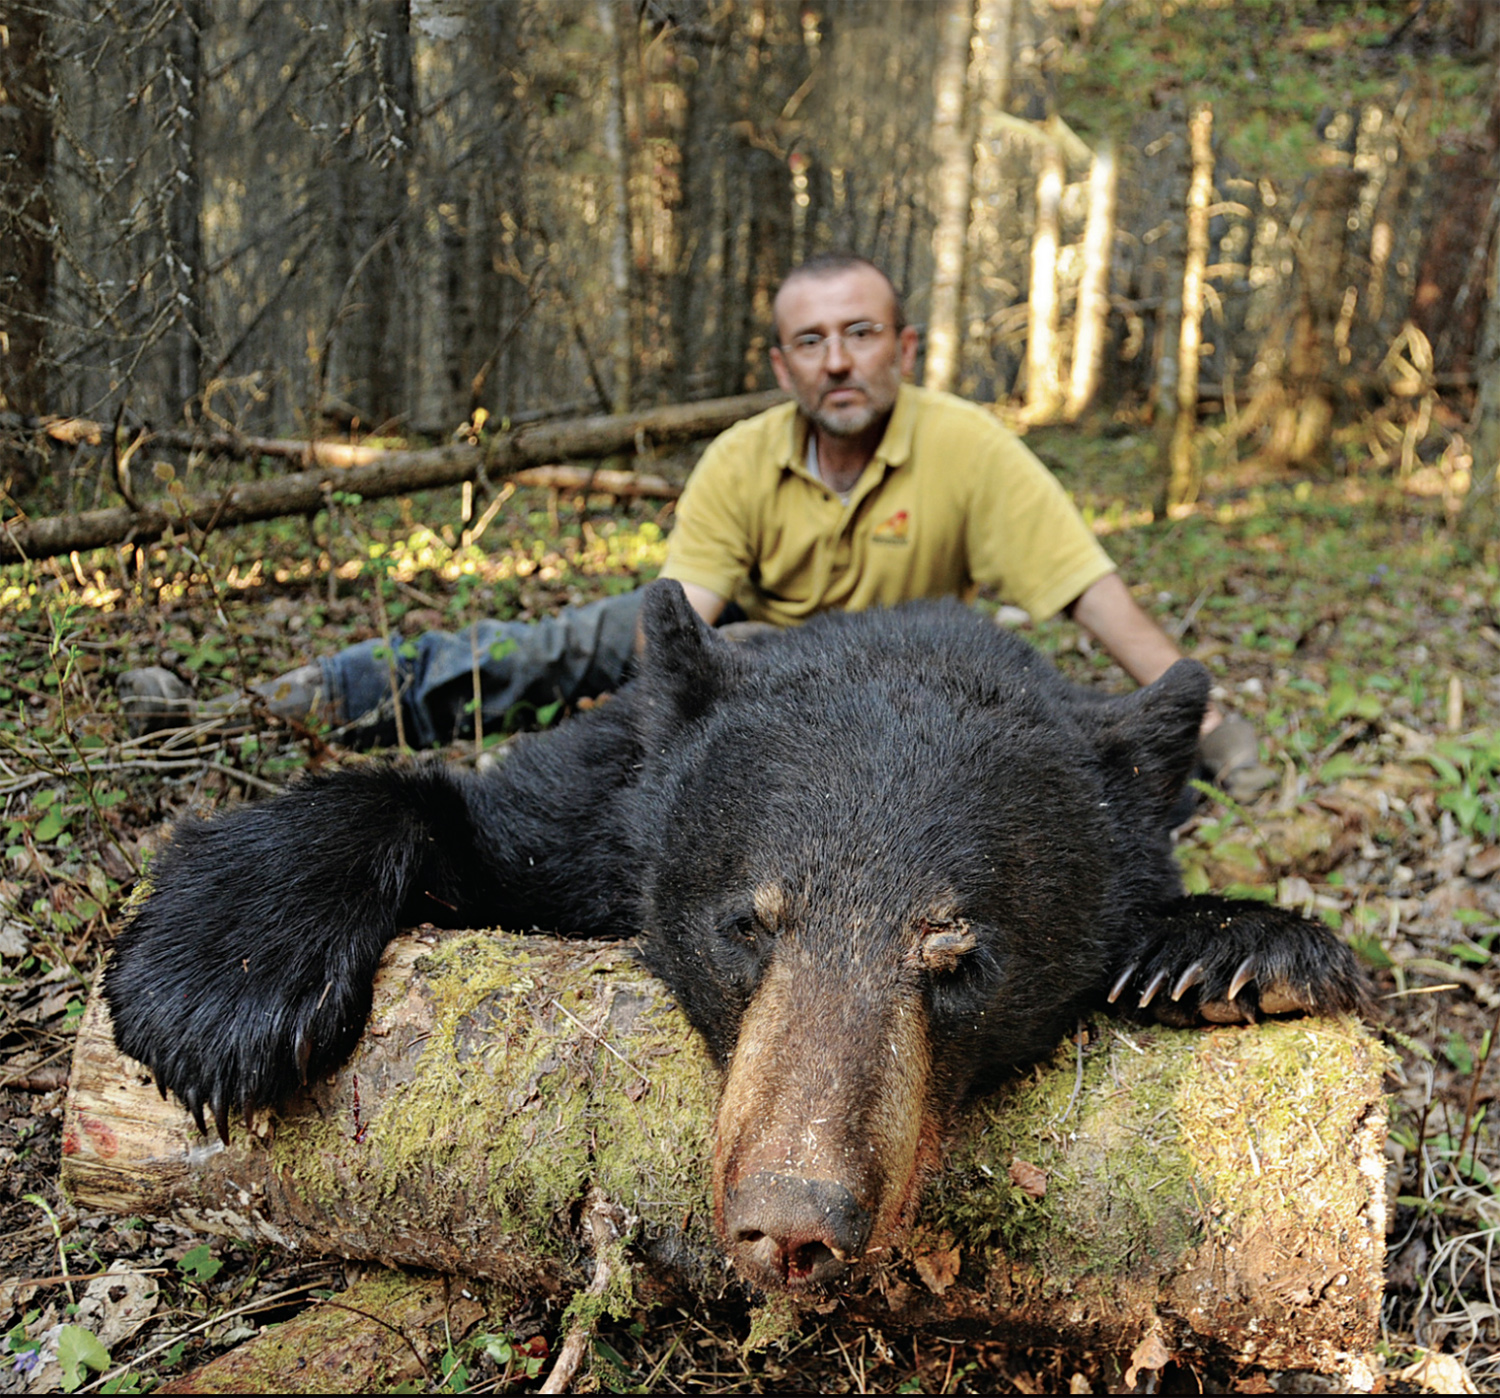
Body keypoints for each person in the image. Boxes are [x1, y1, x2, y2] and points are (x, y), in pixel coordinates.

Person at [119, 253, 1271, 796]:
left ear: (903, 348)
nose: (838, 361)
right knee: (547, 650)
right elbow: (680, 633)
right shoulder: (740, 459)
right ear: (782, 365)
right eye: (812, 342)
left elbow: (1090, 595)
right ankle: (275, 705)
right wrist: (626, 734)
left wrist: (1203, 716)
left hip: (902, 690)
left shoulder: (971, 449)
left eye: (860, 334)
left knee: (1051, 726)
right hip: (752, 658)